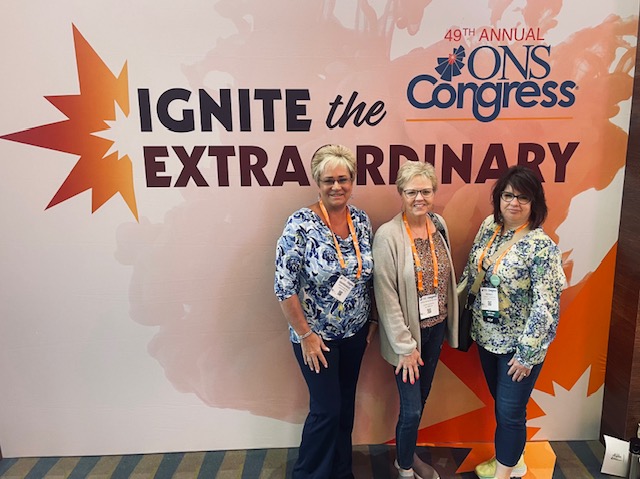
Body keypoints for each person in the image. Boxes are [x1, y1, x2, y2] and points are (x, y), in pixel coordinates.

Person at [274, 144, 376, 479]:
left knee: (344, 408)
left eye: (343, 179)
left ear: (352, 181)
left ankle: (341, 472)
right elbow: (284, 287)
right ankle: (309, 474)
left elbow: (368, 275)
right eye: (329, 180)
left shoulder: (360, 220)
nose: (337, 186)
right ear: (317, 182)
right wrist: (306, 335)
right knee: (326, 411)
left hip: (355, 333)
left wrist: (372, 318)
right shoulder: (300, 224)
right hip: (316, 338)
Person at [459, 166, 565, 479]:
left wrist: (527, 355)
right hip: (485, 336)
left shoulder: (542, 247)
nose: (513, 203)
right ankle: (512, 459)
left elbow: (546, 306)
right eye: (508, 195)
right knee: (503, 406)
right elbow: (472, 270)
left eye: (523, 197)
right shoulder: (489, 227)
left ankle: (505, 472)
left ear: (535, 203)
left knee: (510, 412)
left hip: (518, 348)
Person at [373, 161, 459, 479]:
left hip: (436, 329)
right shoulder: (388, 236)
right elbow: (386, 296)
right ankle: (405, 468)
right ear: (401, 193)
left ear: (434, 192)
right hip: (407, 336)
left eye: (425, 191)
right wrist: (405, 347)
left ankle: (406, 457)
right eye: (411, 192)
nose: (419, 198)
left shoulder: (439, 225)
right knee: (411, 410)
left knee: (421, 400)